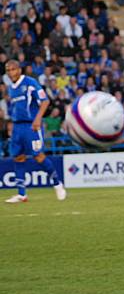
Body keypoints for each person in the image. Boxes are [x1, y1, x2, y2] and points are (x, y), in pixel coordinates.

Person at [4, 60, 66, 203]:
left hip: (31, 126)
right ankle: (22, 194)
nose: (10, 72)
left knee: (38, 156)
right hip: (17, 127)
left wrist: (38, 119)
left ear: (19, 69)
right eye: (8, 70)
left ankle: (57, 184)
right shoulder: (11, 87)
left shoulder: (30, 83)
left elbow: (45, 101)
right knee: (18, 157)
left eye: (13, 69)